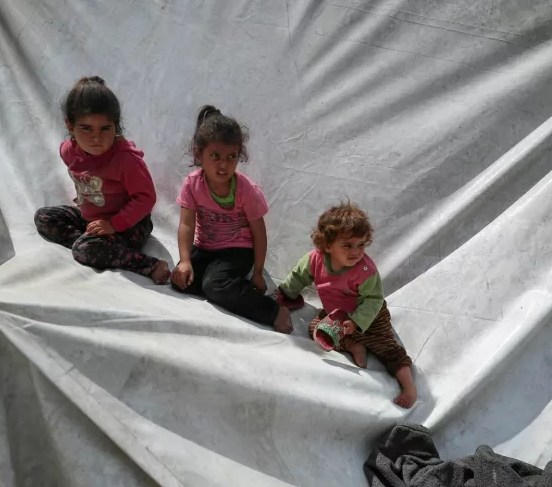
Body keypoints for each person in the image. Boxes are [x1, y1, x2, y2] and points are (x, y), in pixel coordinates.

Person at [276, 203, 417, 407]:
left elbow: (374, 300)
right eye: (348, 245)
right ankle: (352, 344)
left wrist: (357, 321)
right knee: (315, 328)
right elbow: (298, 277)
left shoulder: (365, 270)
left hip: (370, 316)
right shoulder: (315, 260)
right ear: (326, 245)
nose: (356, 252)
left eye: (361, 245)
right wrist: (284, 294)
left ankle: (409, 387)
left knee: (386, 348)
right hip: (336, 313)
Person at [34, 76, 170, 284]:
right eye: (86, 128)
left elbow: (146, 198)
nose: (96, 138)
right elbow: (86, 176)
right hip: (92, 217)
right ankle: (96, 243)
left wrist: (113, 225)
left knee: (84, 250)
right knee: (44, 218)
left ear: (116, 127)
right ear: (70, 127)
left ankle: (148, 264)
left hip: (130, 224)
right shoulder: (67, 151)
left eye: (105, 128)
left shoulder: (126, 159)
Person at [170, 105, 292, 333]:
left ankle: (274, 311)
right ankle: (228, 287)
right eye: (215, 156)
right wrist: (185, 261)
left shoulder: (246, 190)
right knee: (180, 282)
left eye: (231, 157)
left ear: (239, 156)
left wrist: (257, 271)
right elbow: (186, 224)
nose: (223, 164)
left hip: (238, 250)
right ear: (199, 155)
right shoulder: (192, 184)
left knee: (213, 285)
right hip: (206, 248)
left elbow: (259, 232)